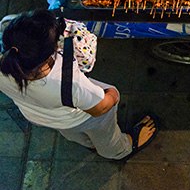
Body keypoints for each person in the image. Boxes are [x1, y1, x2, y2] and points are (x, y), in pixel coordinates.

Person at [0, 10, 157, 160]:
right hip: (80, 117)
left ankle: (88, 143)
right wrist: (113, 94)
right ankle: (120, 150)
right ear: (49, 53)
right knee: (104, 135)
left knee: (72, 131)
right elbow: (100, 108)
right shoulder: (67, 82)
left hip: (38, 115)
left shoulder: (10, 60)